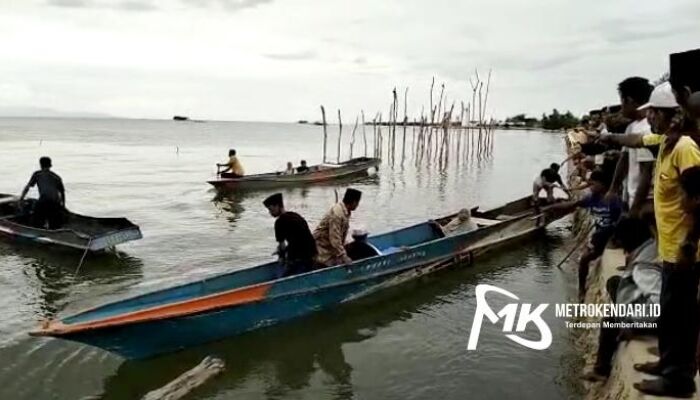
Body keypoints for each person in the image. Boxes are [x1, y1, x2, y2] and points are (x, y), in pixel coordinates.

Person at [599, 49, 700, 398]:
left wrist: (688, 244)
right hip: (672, 249)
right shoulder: (667, 142)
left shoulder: (685, 148)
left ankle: (678, 379)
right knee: (672, 316)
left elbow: (696, 199)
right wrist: (609, 138)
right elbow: (635, 140)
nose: (649, 118)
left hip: (684, 251)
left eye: (653, 112)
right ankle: (667, 364)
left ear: (667, 113)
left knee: (681, 317)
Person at [583, 216, 661, 382]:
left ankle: (601, 370)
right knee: (614, 283)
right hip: (650, 306)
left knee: (610, 320)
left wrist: (633, 322)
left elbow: (658, 302)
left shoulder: (644, 267)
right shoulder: (652, 246)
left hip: (656, 318)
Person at [550, 170, 623, 300]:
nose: (590, 187)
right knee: (584, 259)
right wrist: (554, 207)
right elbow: (573, 204)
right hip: (599, 235)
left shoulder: (613, 200)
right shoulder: (591, 198)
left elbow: (622, 219)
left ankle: (582, 289)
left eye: (593, 184)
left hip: (612, 235)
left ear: (603, 185)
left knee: (587, 254)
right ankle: (581, 289)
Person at [606, 77, 655, 216]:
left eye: (622, 101)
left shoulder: (646, 129)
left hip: (644, 203)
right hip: (631, 197)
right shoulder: (631, 127)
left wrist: (635, 209)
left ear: (630, 100)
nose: (621, 107)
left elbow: (646, 172)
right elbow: (624, 159)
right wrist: (614, 189)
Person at [263, 193, 317, 277]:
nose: (270, 213)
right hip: (312, 254)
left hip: (299, 257)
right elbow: (300, 239)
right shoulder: (295, 215)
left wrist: (281, 257)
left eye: (271, 209)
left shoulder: (279, 222)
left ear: (277, 206)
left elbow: (282, 245)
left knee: (282, 276)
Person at [314, 188, 362, 267]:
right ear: (353, 202)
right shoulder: (337, 214)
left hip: (330, 246)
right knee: (338, 264)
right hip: (322, 248)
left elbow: (339, 234)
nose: (357, 205)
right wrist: (344, 256)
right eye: (357, 203)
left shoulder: (345, 211)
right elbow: (335, 238)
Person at [18, 156, 66, 229]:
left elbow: (27, 187)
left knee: (36, 222)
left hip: (44, 202)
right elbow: (62, 192)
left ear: (40, 165)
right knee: (54, 224)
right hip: (55, 203)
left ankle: (39, 228)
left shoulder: (37, 174)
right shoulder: (56, 177)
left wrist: (21, 199)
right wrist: (63, 206)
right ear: (50, 165)